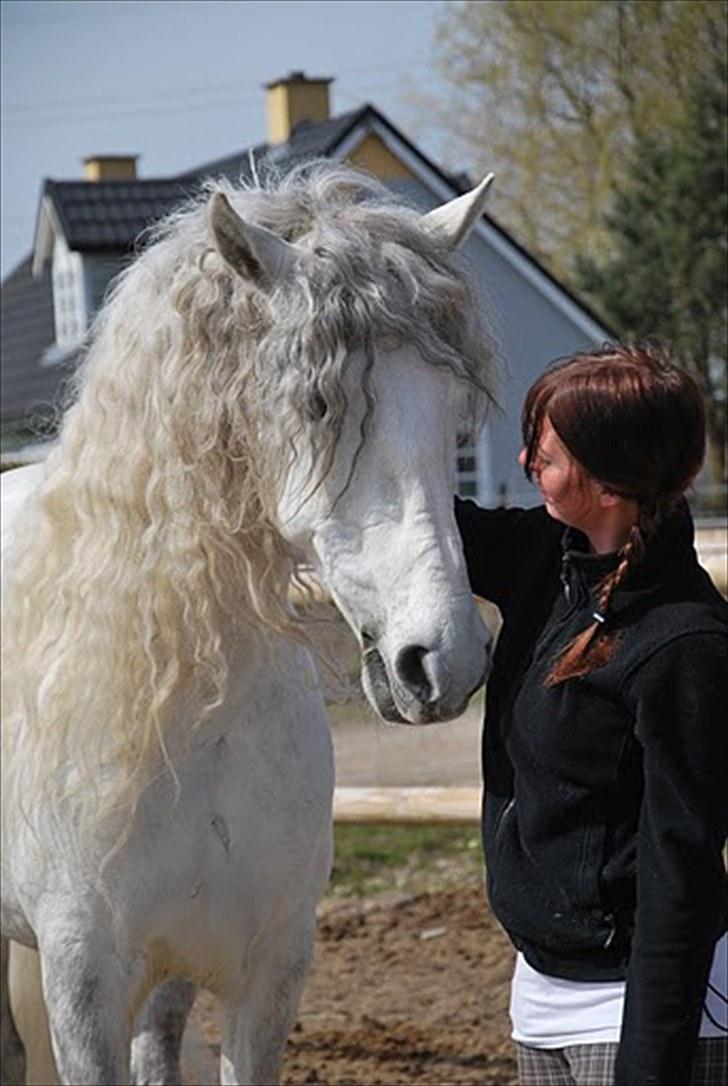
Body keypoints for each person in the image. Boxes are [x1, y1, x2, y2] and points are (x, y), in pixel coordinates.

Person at [455, 344, 727, 1086]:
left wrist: (651, 1062)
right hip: (540, 992)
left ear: (608, 482)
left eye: (544, 455)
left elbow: (683, 875)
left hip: (647, 1011)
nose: (522, 463)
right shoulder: (547, 558)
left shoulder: (686, 643)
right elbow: (421, 521)